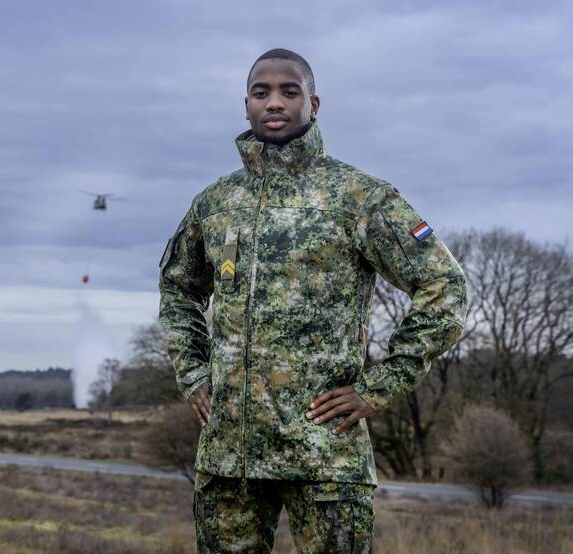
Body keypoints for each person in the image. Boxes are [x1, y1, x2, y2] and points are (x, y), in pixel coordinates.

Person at [158, 48, 468, 553]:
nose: (274, 102)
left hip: (325, 456)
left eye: (289, 91)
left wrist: (380, 385)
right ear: (246, 105)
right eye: (261, 92)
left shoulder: (359, 198)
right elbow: (178, 288)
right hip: (230, 459)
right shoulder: (215, 204)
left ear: (314, 104)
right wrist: (193, 374)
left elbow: (445, 287)